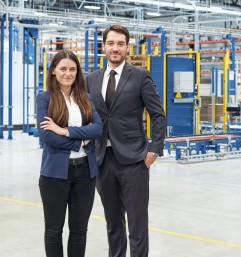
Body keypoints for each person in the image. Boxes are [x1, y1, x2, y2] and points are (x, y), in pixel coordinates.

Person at [86, 25, 166, 257]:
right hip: (103, 160)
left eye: (120, 44)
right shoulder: (91, 79)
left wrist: (154, 150)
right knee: (113, 223)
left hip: (134, 160)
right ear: (103, 47)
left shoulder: (140, 77)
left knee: (137, 224)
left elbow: (158, 115)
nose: (115, 48)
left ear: (127, 47)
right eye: (111, 43)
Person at [36, 50, 102, 257]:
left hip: (85, 172)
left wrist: (65, 131)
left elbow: (98, 129)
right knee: (54, 231)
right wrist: (80, 141)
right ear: (54, 70)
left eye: (72, 69)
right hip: (55, 174)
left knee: (79, 231)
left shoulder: (85, 98)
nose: (68, 73)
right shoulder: (44, 98)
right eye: (63, 68)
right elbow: (47, 136)